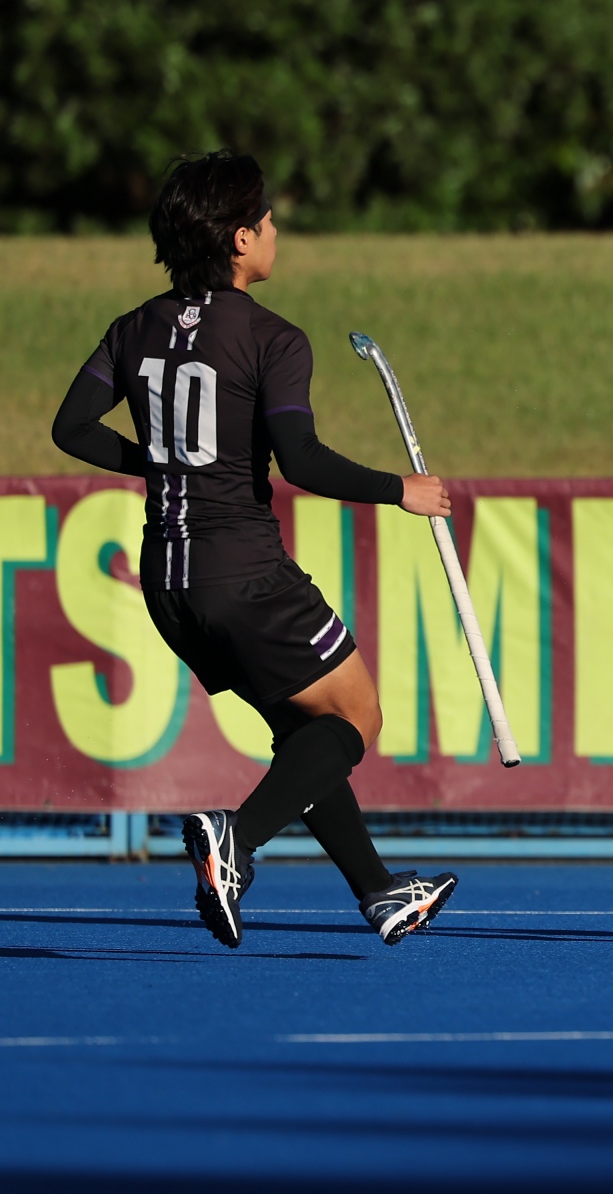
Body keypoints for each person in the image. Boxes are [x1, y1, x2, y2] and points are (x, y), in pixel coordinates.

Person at [50, 151, 460, 947]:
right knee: (356, 717)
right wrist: (399, 491)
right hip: (245, 574)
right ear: (239, 239)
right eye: (265, 218)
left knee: (302, 731)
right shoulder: (273, 338)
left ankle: (378, 892)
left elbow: (73, 428)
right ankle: (234, 840)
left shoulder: (133, 328)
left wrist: (165, 462)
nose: (274, 228)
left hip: (168, 584)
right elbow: (300, 460)